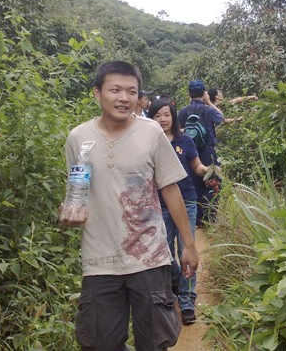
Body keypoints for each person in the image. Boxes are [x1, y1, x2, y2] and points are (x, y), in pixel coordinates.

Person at [58, 61, 198, 351]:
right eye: (115, 90)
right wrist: (70, 214)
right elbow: (77, 191)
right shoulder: (78, 138)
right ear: (97, 92)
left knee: (155, 343)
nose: (124, 98)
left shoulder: (151, 132)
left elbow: (170, 188)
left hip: (150, 258)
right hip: (99, 261)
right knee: (100, 344)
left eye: (131, 91)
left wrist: (188, 244)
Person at [148, 97, 208, 325]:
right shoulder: (148, 142)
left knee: (186, 248)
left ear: (173, 117)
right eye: (157, 115)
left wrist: (208, 170)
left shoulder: (185, 140)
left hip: (187, 201)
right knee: (164, 251)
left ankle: (187, 300)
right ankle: (174, 280)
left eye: (166, 115)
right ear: (151, 118)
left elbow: (196, 166)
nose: (162, 119)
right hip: (159, 204)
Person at [178, 80, 223, 226]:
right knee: (212, 182)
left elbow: (178, 129)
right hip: (207, 151)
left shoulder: (183, 111)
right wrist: (209, 102)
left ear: (189, 94)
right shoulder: (209, 110)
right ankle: (209, 218)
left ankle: (195, 218)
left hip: (189, 152)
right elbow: (220, 118)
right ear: (204, 93)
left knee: (193, 183)